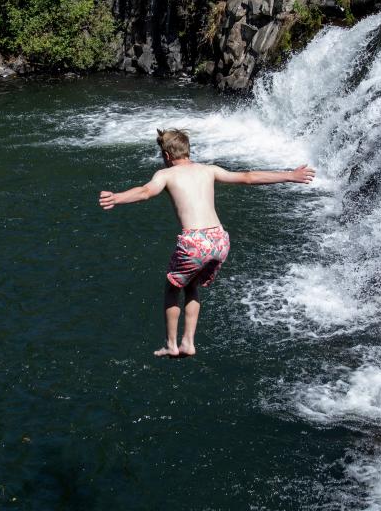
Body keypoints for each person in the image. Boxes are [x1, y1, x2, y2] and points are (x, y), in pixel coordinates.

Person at [99, 128, 316, 358]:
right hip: (219, 240)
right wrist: (290, 175)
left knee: (172, 288)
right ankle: (189, 342)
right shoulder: (209, 170)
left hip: (195, 242)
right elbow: (248, 177)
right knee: (191, 284)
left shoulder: (165, 174)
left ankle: (172, 343)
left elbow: (144, 192)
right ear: (187, 150)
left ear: (167, 155)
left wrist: (117, 197)